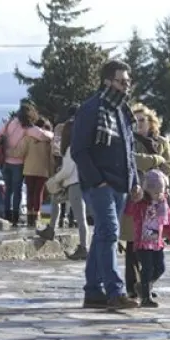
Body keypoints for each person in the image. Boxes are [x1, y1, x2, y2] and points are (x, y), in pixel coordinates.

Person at [71, 60, 141, 310]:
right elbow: (79, 149)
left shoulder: (122, 111)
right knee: (110, 232)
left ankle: (92, 291)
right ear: (107, 81)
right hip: (99, 185)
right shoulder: (91, 109)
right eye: (122, 81)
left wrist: (134, 180)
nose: (126, 86)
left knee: (102, 234)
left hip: (121, 185)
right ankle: (115, 291)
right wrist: (97, 180)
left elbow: (129, 149)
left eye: (128, 82)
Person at [123, 169, 170, 308]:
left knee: (160, 268)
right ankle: (145, 297)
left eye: (161, 192)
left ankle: (142, 286)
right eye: (155, 192)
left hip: (157, 243)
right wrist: (133, 199)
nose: (159, 195)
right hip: (142, 243)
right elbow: (128, 211)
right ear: (147, 191)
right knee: (147, 268)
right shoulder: (139, 204)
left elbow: (169, 223)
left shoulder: (163, 204)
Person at [0, 103, 52, 225]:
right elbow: (45, 136)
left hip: (6, 162)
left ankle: (7, 214)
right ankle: (19, 217)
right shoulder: (28, 129)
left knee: (9, 190)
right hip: (21, 165)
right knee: (23, 191)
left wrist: (5, 151)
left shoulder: (9, 123)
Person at [39, 126, 89, 260]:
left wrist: (54, 179)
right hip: (78, 183)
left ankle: (83, 247)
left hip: (73, 184)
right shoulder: (82, 147)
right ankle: (51, 228)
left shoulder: (70, 149)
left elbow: (67, 171)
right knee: (56, 200)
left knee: (80, 217)